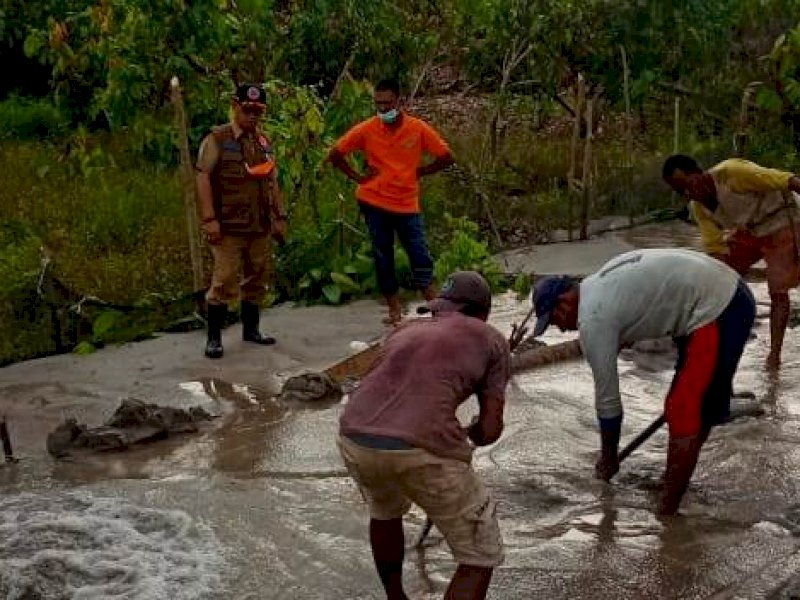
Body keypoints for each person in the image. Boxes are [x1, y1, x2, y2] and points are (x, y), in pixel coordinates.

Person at [532, 249, 755, 516]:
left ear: (565, 302)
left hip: (718, 306)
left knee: (683, 409)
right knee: (696, 408)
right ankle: (675, 484)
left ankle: (668, 514)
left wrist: (609, 458)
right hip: (721, 292)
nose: (560, 329)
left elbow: (608, 404)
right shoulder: (597, 286)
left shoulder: (592, 318)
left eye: (553, 320)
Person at [338, 271, 510, 600]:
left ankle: (395, 598)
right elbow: (489, 432)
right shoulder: (491, 339)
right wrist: (470, 429)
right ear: (483, 313)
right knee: (480, 552)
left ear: (440, 307)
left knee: (384, 511)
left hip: (354, 436)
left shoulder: (403, 331)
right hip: (418, 448)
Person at [327, 78, 455, 326]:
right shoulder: (367, 128)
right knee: (382, 255)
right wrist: (358, 177)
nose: (383, 109)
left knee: (419, 253)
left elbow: (447, 156)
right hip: (375, 201)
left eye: (387, 103)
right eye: (378, 104)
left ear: (400, 101)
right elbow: (335, 154)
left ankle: (434, 302)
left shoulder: (417, 128)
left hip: (406, 203)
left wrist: (421, 171)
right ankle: (394, 309)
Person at [663, 155, 800, 370]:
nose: (689, 194)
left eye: (688, 185)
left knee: (778, 289)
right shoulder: (698, 208)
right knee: (715, 275)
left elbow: (788, 180)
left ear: (699, 173)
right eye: (681, 192)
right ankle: (708, 337)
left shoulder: (732, 172)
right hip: (750, 230)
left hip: (781, 218)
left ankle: (774, 356)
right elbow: (715, 250)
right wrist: (716, 283)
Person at [195, 83, 288, 359]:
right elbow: (202, 178)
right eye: (247, 110)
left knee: (258, 278)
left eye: (257, 111)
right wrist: (209, 219)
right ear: (236, 106)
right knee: (224, 280)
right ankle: (214, 339)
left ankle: (251, 330)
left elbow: (272, 182)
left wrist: (280, 216)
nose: (252, 116)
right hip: (228, 226)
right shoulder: (217, 139)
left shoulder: (263, 143)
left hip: (259, 224)